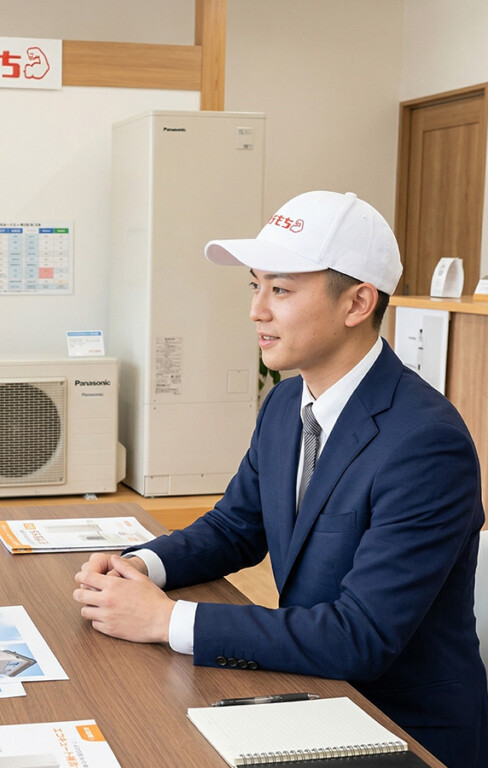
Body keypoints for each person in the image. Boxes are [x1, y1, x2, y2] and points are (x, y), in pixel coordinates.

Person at [73, 191, 487, 767]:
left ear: (358, 302)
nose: (256, 311)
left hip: (400, 729)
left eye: (282, 289)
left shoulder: (425, 442)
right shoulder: (288, 401)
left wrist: (168, 619)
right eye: (255, 285)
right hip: (311, 694)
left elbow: (358, 636)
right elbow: (236, 526)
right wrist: (142, 564)